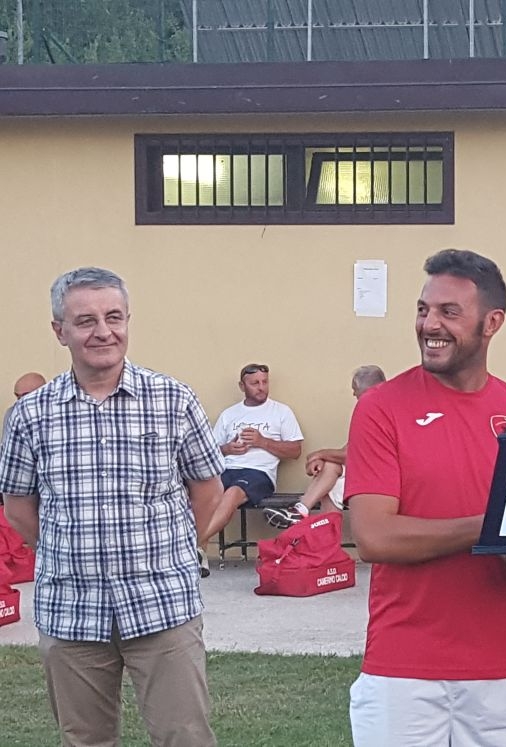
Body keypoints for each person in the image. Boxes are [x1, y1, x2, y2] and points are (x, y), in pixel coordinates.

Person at [344, 249, 506, 746]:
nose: (429, 325)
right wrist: (494, 526)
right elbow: (374, 537)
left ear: (492, 322)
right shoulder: (381, 408)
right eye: (423, 310)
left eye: (449, 312)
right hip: (403, 669)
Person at [0, 267, 224, 746]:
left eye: (114, 317)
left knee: (184, 737)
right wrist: (65, 549)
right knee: (85, 740)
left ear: (127, 321)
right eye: (85, 321)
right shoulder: (30, 415)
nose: (103, 331)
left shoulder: (173, 400)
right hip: (71, 612)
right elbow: (18, 508)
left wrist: (176, 551)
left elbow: (208, 491)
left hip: (163, 605)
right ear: (60, 330)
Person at [199, 363, 304, 575]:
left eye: (264, 382)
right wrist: (228, 449)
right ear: (242, 386)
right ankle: (199, 556)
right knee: (203, 494)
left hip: (259, 473)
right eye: (255, 383)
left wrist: (262, 442)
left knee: (232, 494)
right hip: (227, 468)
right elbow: (210, 451)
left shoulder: (281, 412)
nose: (261, 387)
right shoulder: (229, 414)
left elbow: (295, 450)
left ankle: (189, 545)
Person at [264, 364, 387, 529]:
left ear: (366, 389)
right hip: (369, 473)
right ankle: (301, 511)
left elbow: (353, 455)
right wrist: (321, 458)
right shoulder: (374, 409)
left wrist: (318, 455)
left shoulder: (381, 412)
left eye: (355, 389)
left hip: (384, 479)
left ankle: (309, 522)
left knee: (329, 483)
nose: (353, 394)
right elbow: (349, 450)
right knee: (330, 470)